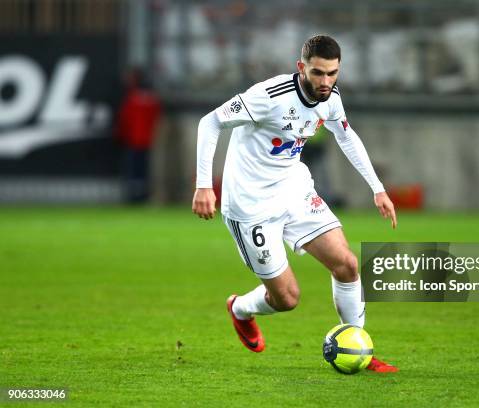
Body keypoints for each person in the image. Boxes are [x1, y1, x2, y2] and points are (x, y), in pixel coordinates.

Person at [192, 35, 398, 372]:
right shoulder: (268, 97)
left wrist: (377, 188)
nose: (326, 82)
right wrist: (203, 186)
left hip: (292, 188)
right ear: (301, 67)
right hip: (251, 204)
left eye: (333, 74)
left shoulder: (330, 98)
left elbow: (346, 135)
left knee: (347, 264)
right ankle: (240, 309)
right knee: (287, 299)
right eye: (318, 73)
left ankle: (358, 347)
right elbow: (210, 121)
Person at [116, 67, 161, 203]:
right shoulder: (153, 99)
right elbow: (156, 118)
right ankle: (144, 196)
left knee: (133, 171)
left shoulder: (132, 98)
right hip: (147, 140)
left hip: (133, 140)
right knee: (144, 171)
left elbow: (124, 119)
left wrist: (121, 136)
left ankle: (133, 197)